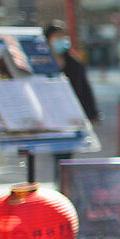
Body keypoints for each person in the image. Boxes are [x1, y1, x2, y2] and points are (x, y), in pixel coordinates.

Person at [44, 20, 100, 180]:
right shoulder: (42, 64)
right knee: (57, 156)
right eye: (57, 37)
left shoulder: (74, 63)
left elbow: (85, 89)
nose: (62, 40)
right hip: (50, 117)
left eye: (64, 36)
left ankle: (63, 185)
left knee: (65, 158)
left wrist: (92, 113)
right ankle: (60, 184)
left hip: (71, 116)